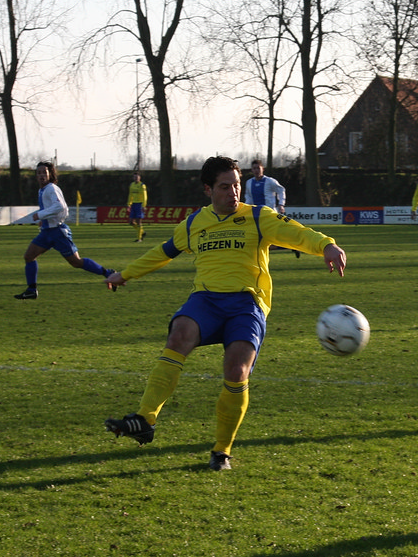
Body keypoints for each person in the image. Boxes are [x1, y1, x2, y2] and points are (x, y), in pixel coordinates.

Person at [104, 155, 348, 470]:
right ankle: (145, 419)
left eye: (236, 185)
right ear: (208, 190)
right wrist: (125, 274)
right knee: (178, 335)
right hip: (205, 300)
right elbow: (163, 252)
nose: (233, 193)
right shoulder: (194, 223)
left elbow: (298, 234)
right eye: (225, 187)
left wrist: (327, 245)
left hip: (247, 304)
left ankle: (221, 451)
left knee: (236, 370)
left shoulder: (258, 217)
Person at [14, 160, 117, 300]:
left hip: (57, 232)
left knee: (76, 262)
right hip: (46, 232)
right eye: (39, 173)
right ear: (36, 176)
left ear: (50, 174)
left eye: (44, 172)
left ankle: (108, 273)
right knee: (29, 256)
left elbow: (61, 207)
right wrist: (44, 220)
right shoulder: (42, 190)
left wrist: (41, 215)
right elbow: (56, 209)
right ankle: (32, 290)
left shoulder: (51, 188)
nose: (41, 175)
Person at [246, 158, 297, 257]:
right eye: (254, 168)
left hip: (269, 214)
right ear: (251, 170)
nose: (256, 170)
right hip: (256, 215)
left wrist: (281, 204)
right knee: (262, 240)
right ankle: (292, 246)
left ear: (263, 169)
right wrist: (246, 208)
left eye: (258, 168)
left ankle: (292, 245)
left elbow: (281, 190)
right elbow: (248, 197)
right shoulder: (249, 183)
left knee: (269, 240)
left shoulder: (270, 181)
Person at [127, 171, 148, 242]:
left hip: (139, 204)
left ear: (140, 178)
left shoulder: (142, 185)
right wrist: (129, 204)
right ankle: (142, 232)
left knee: (138, 221)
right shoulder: (131, 185)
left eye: (137, 177)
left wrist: (144, 206)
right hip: (133, 204)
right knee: (131, 222)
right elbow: (130, 195)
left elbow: (145, 196)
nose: (136, 178)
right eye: (135, 177)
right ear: (133, 178)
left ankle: (139, 238)